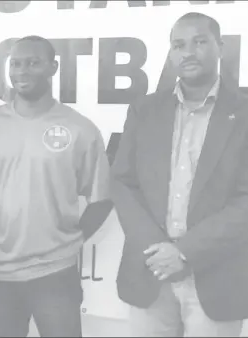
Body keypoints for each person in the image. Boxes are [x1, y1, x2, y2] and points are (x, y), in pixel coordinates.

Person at [0, 35, 110, 337]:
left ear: (53, 68)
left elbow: (102, 199)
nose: (22, 71)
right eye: (16, 64)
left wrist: (71, 239)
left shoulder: (80, 128)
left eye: (33, 63)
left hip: (55, 271)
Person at [111, 12, 248, 337]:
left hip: (215, 274)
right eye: (179, 45)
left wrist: (185, 251)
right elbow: (121, 182)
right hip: (150, 270)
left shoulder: (243, 114)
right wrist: (157, 249)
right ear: (171, 53)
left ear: (221, 47)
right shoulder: (144, 110)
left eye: (200, 42)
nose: (188, 52)